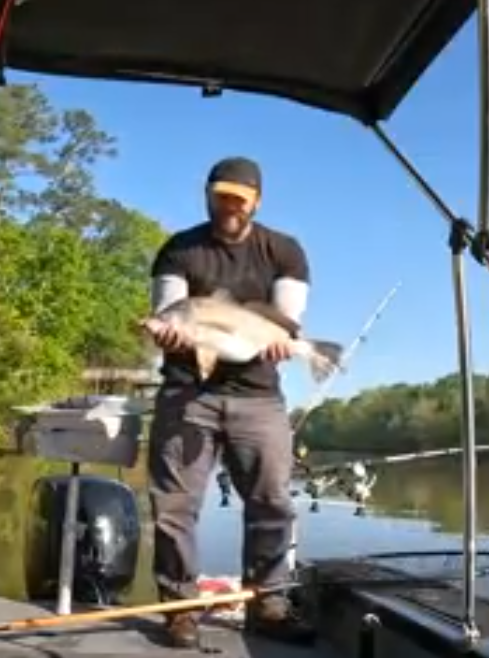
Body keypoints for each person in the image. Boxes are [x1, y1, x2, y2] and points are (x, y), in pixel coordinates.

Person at [146, 156, 315, 648]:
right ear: (207, 194)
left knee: (272, 503)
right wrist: (169, 333)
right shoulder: (180, 250)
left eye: (239, 200)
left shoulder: (284, 250)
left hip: (259, 396)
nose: (229, 207)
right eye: (221, 196)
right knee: (174, 507)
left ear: (256, 201)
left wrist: (287, 340)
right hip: (186, 392)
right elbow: (168, 312)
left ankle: (268, 603)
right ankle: (179, 608)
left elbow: (285, 320)